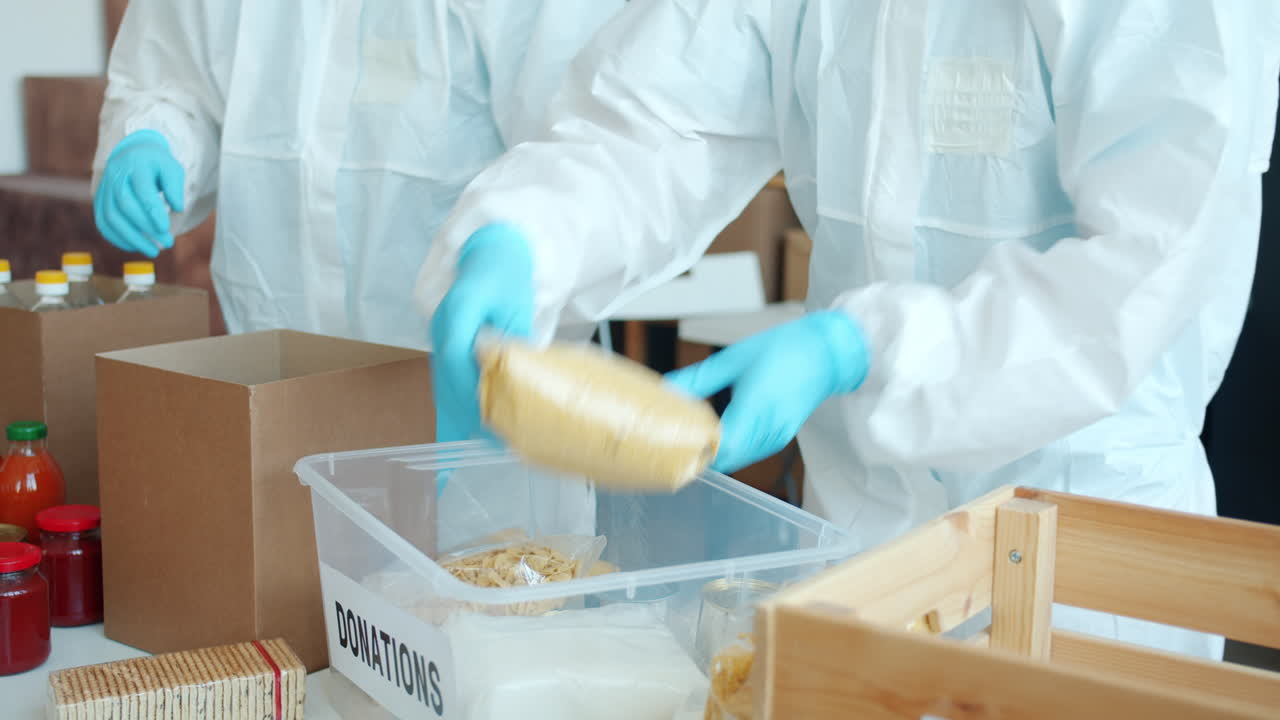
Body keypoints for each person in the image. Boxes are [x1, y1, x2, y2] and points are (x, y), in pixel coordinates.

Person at [418, 0, 1280, 660]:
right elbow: (658, 120)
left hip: (1087, 555)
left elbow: (1149, 264)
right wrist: (527, 236)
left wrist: (868, 350)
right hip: (859, 539)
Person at [92, 0, 625, 350]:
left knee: (493, 527)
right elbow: (178, 80)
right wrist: (153, 136)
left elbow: (587, 133)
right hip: (282, 368)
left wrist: (528, 242)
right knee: (294, 511)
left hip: (479, 381)